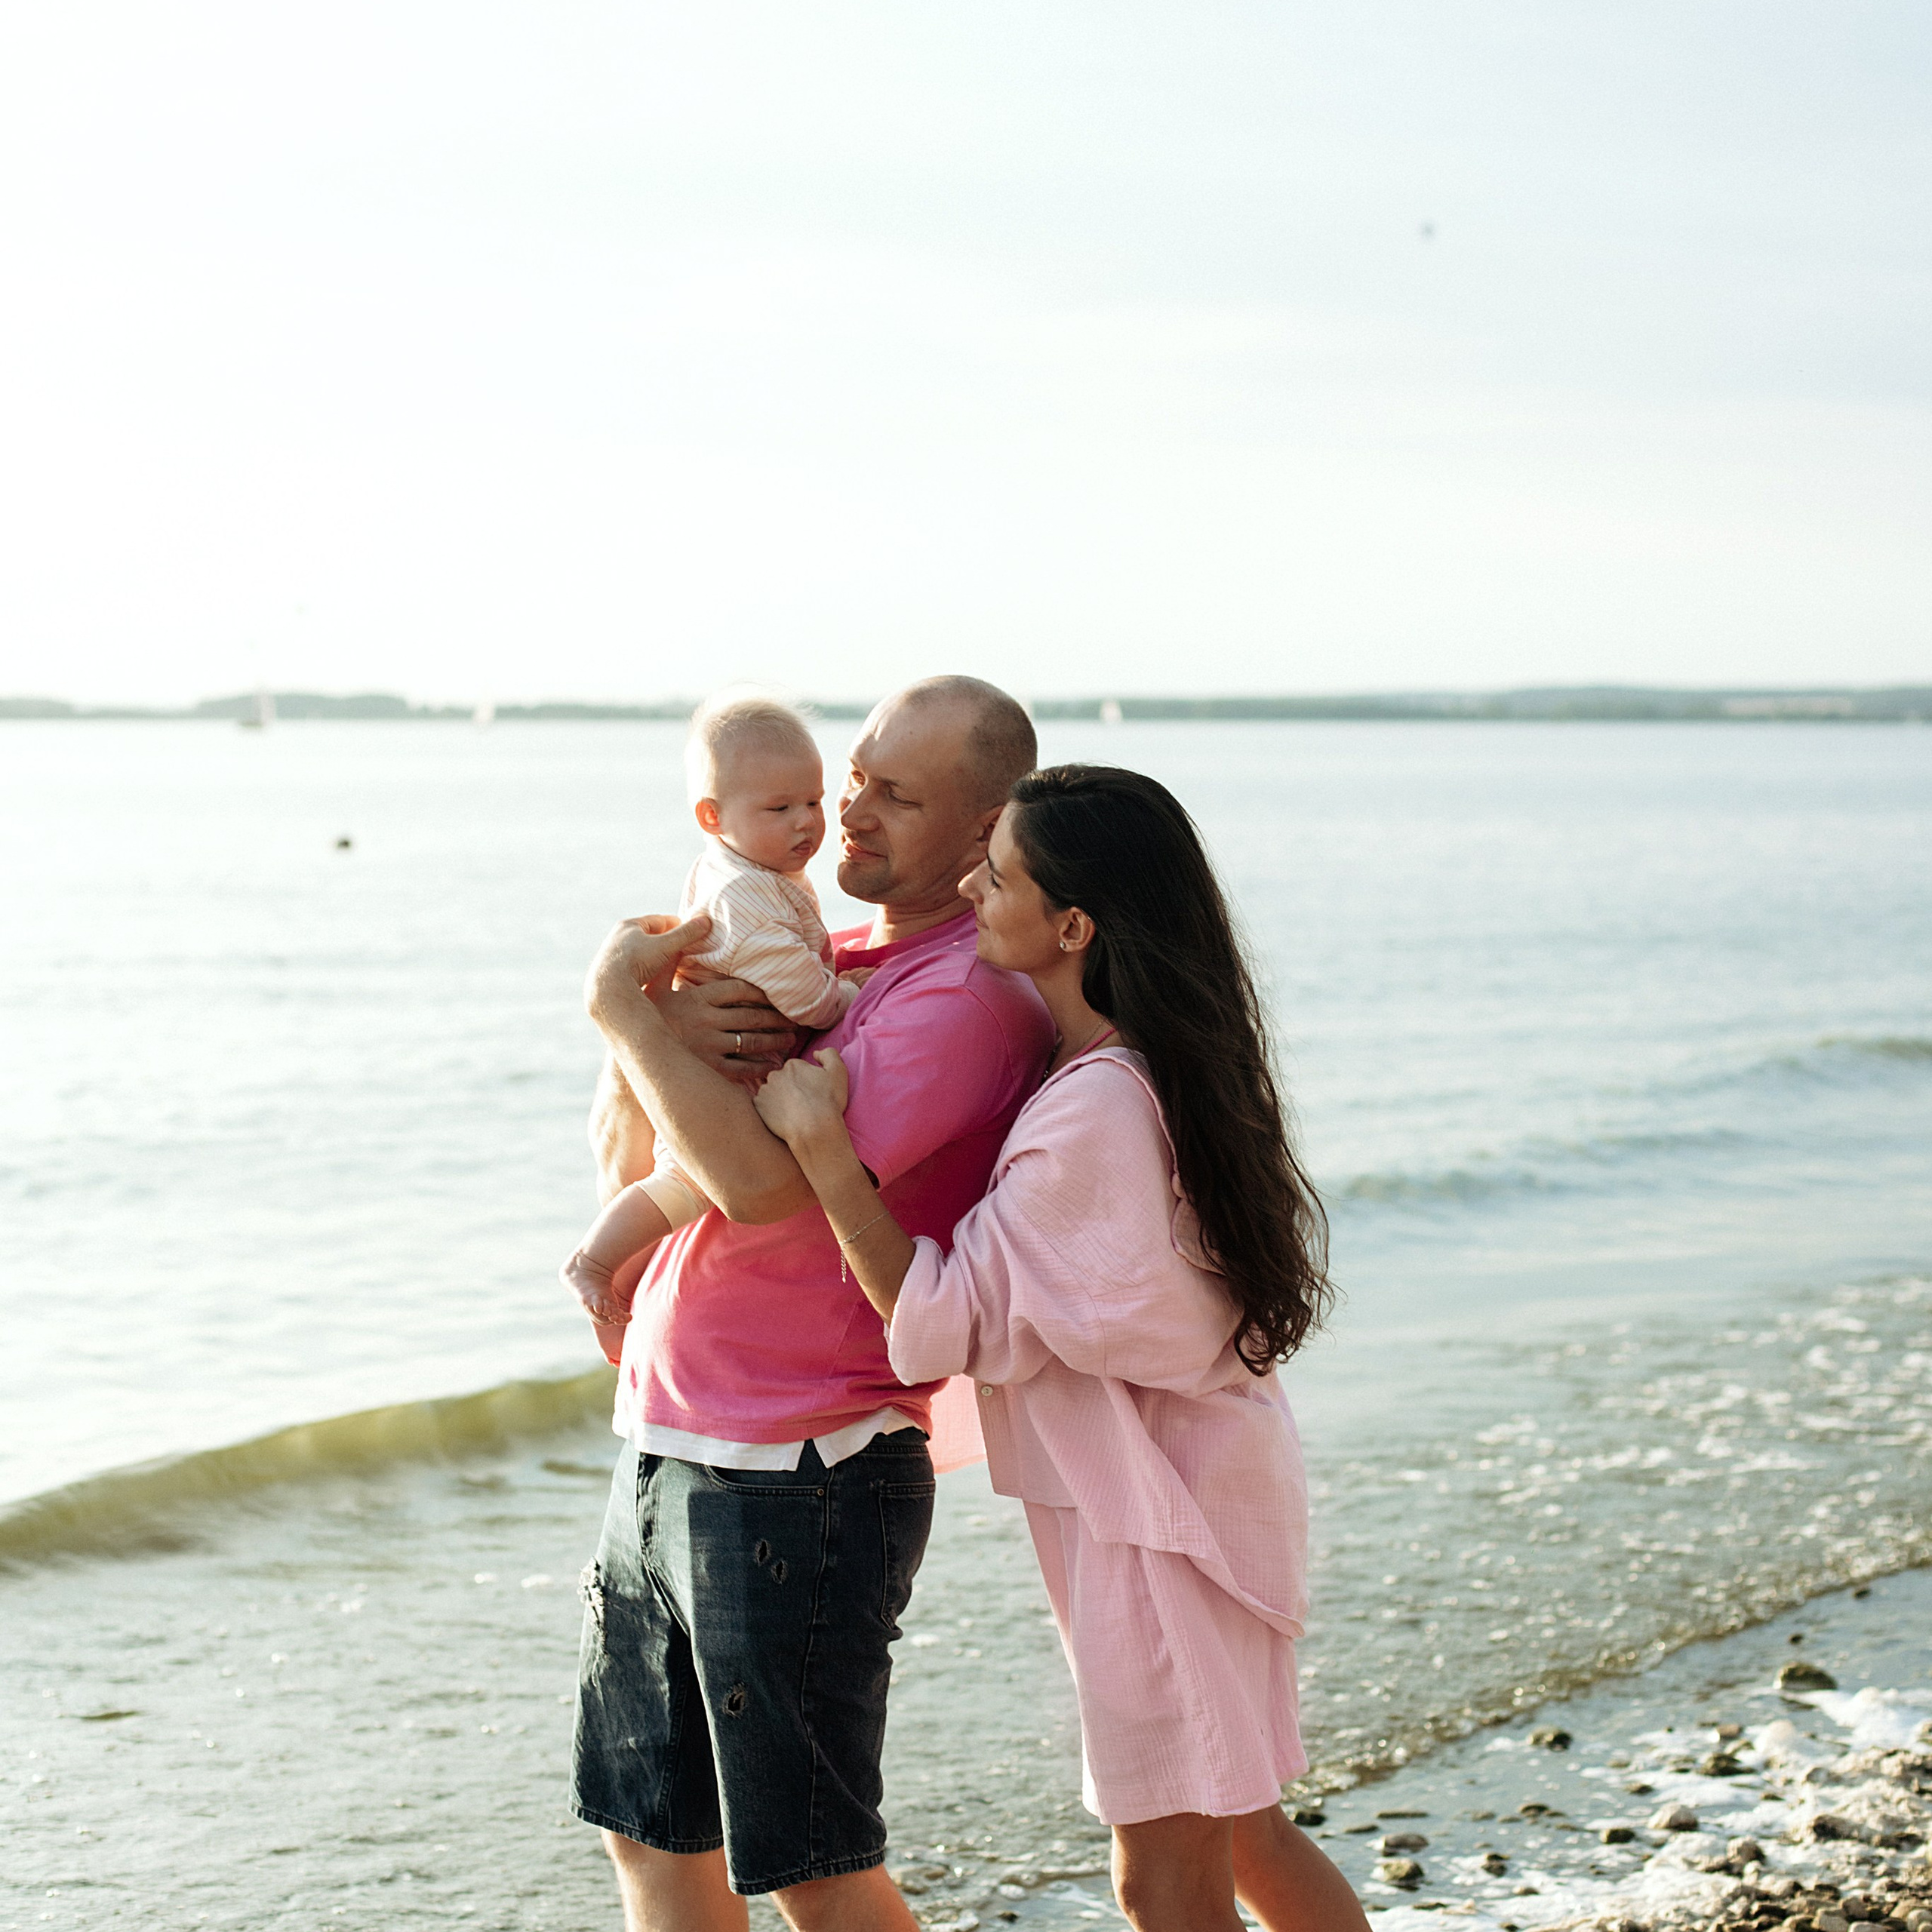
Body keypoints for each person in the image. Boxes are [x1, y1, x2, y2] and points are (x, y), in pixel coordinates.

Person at [751, 764, 1370, 1932]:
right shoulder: (1138, 1064)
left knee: (1165, 1876)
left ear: (1074, 925)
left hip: (1160, 1526)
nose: (971, 890)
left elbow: (944, 1314)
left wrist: (824, 1148)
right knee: (1243, 1828)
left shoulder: (1095, 1110)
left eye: (999, 878)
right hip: (1198, 1486)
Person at [571, 676, 1054, 1932]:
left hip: (804, 1465)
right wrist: (643, 1032)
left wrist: (622, 1006)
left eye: (900, 796)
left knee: (812, 1870)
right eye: (857, 780)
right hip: (668, 1440)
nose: (852, 812)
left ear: (987, 827)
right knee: (650, 1840)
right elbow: (632, 1162)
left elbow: (761, 1189)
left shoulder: (962, 999)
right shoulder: (818, 959)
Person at [558, 694, 873, 1355]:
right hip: (716, 1076)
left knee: (677, 1184)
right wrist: (846, 995)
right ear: (712, 816)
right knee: (682, 1181)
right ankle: (595, 1263)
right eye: (779, 809)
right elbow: (800, 990)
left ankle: (618, 1285)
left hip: (713, 1063)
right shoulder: (742, 896)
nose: (807, 822)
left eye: (814, 801)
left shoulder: (749, 868)